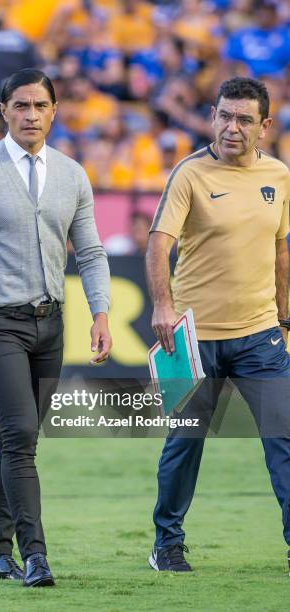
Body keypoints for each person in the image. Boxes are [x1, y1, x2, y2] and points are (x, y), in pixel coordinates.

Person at [0, 68, 111, 587]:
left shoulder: (73, 175)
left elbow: (93, 251)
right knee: (20, 435)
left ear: (55, 111)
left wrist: (100, 313)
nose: (31, 115)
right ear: (3, 111)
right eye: (21, 106)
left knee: (16, 441)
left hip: (50, 324)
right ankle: (35, 556)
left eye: (40, 106)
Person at [145, 76, 290, 572]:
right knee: (184, 444)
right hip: (192, 338)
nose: (232, 127)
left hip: (260, 337)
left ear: (265, 126)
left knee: (285, 439)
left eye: (244, 119)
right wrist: (163, 306)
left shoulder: (280, 175)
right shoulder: (189, 173)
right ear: (212, 116)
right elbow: (158, 242)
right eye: (225, 116)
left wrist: (285, 316)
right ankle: (167, 543)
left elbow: (279, 248)